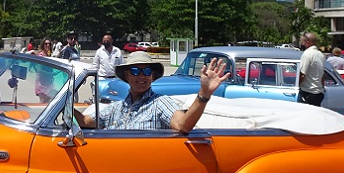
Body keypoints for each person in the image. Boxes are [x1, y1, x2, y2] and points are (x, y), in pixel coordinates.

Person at [76, 51, 229, 132]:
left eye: (146, 71)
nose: (141, 76)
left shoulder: (159, 103)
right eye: (135, 71)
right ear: (127, 76)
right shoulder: (116, 108)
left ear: (152, 76)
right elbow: (85, 121)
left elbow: (183, 125)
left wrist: (204, 93)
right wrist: (59, 100)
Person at [297, 31, 327, 106]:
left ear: (307, 42)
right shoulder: (320, 54)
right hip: (319, 92)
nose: (301, 44)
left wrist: (297, 85)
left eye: (302, 42)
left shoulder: (307, 54)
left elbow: (303, 74)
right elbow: (322, 75)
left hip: (308, 92)